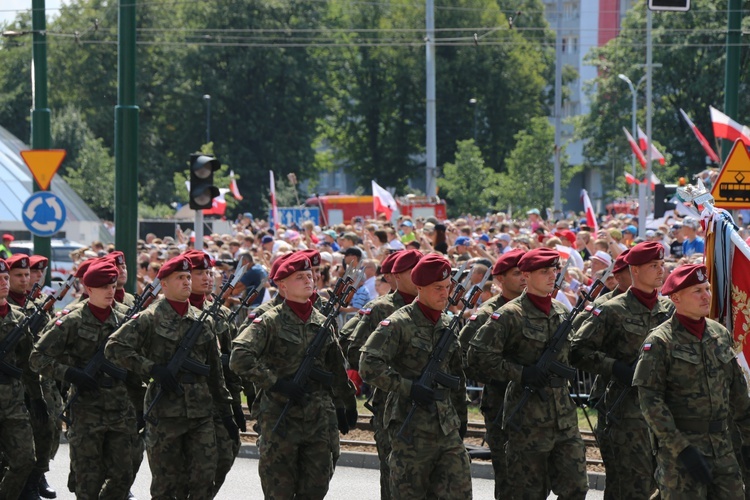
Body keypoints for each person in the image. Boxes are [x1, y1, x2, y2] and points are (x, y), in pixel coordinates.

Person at [104, 255, 236, 500]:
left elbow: (215, 374)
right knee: (166, 484)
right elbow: (114, 347)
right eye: (180, 278)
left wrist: (227, 413)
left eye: (188, 277)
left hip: (201, 413)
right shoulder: (148, 317)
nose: (187, 282)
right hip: (164, 413)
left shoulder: (203, 320)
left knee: (203, 479)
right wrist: (151, 369)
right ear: (163, 284)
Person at [229, 252, 357, 499]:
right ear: (283, 286)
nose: (309, 281)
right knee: (280, 491)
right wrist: (276, 383)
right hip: (281, 419)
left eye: (310, 276)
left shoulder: (323, 322)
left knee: (316, 490)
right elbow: (239, 357)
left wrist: (346, 403)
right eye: (300, 277)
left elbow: (337, 370)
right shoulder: (269, 321)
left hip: (319, 421)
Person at [467, 247, 588, 499]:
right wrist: (521, 373)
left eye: (553, 270)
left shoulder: (562, 311)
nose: (551, 276)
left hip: (564, 416)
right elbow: (477, 357)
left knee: (576, 487)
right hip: (527, 418)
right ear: (527, 275)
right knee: (528, 493)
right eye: (544, 271)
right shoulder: (509, 315)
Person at [360, 253, 472, 499]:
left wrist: (461, 418)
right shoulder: (398, 323)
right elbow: (368, 365)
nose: (445, 294)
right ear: (419, 287)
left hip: (446, 427)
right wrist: (408, 387)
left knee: (459, 492)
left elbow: (457, 377)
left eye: (447, 287)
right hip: (409, 426)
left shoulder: (447, 324)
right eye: (437, 288)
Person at [634, 264, 750, 499]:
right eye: (697, 291)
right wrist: (682, 449)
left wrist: (748, 439)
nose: (706, 295)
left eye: (707, 289)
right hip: (682, 451)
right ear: (676, 297)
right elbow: (651, 402)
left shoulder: (719, 334)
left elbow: (738, 392)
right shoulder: (660, 341)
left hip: (722, 447)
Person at [571, 241, 673, 499]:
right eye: (653, 266)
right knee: (628, 488)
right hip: (624, 414)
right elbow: (577, 350)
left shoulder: (669, 310)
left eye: (662, 265)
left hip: (662, 413)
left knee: (663, 485)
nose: (661, 271)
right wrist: (615, 367)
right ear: (635, 271)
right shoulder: (611, 310)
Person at [30, 259, 139, 499]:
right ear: (89, 289)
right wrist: (69, 373)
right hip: (85, 409)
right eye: (104, 287)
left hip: (120, 408)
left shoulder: (126, 319)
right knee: (87, 480)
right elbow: (37, 358)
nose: (111, 291)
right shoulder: (71, 320)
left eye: (113, 286)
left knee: (123, 475)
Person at [347, 249, 422, 500]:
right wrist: (392, 374)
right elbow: (354, 350)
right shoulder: (380, 308)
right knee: (395, 479)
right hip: (391, 405)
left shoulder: (432, 306)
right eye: (414, 271)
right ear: (398, 276)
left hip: (430, 405)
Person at [459, 248, 526, 499]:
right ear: (499, 280)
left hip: (537, 406)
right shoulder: (487, 314)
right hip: (501, 404)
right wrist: (504, 374)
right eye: (517, 273)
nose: (523, 278)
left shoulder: (536, 307)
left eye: (526, 273)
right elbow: (464, 357)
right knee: (508, 477)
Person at [183, 250, 244, 497]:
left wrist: (237, 402)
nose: (208, 278)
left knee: (226, 452)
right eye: (200, 273)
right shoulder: (170, 312)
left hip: (218, 399)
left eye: (210, 273)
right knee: (185, 468)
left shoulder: (221, 313)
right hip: (181, 401)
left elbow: (233, 361)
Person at [5, 254, 59, 499]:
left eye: (27, 275)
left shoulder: (24, 312)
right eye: (18, 275)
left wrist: (37, 396)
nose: (24, 279)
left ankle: (29, 483)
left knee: (34, 446)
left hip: (24, 391)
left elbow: (34, 357)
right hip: (12, 392)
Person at [0, 257, 44, 499]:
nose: (4, 283)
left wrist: (37, 398)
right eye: (0, 279)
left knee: (25, 459)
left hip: (14, 401)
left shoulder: (19, 318)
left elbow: (28, 362)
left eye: (6, 278)